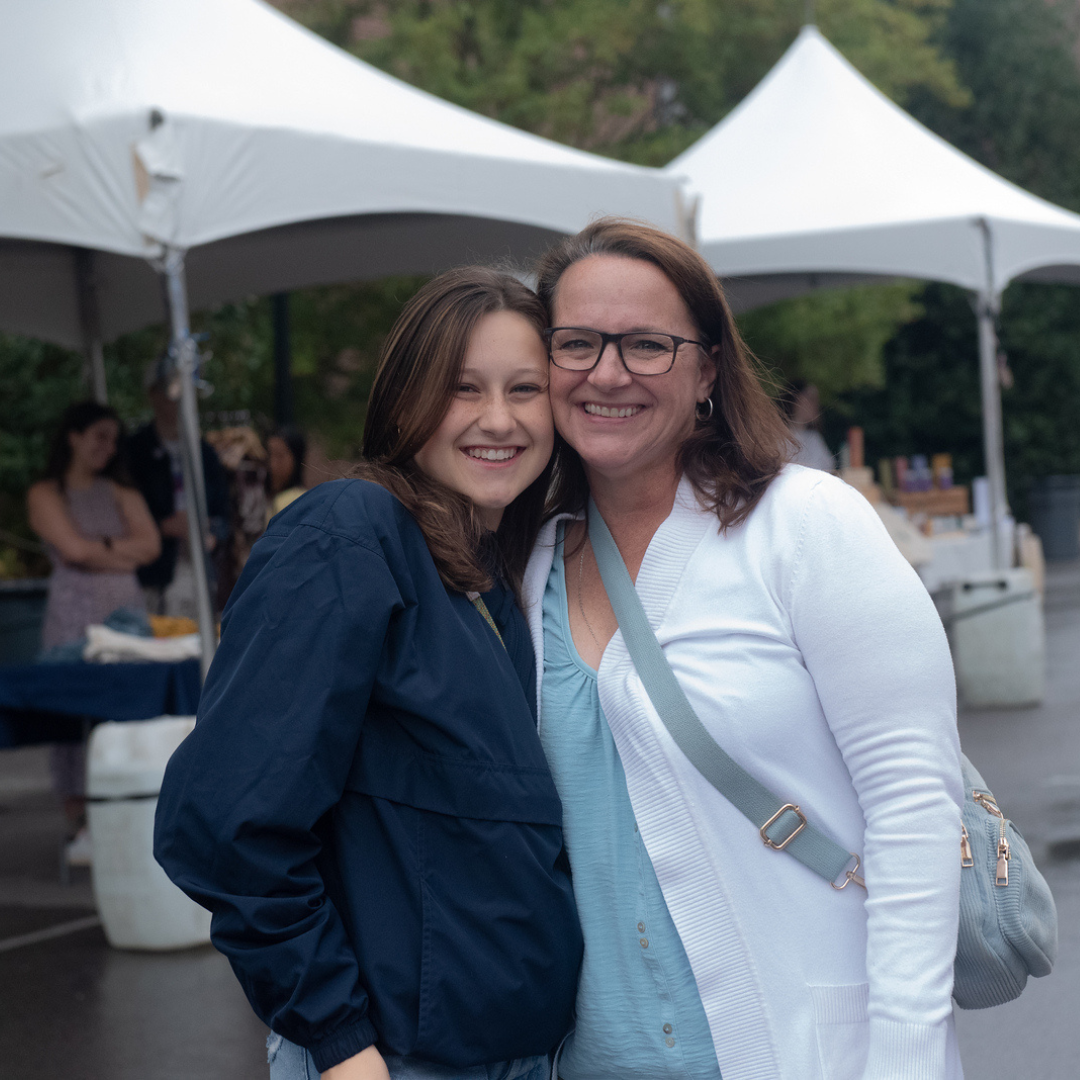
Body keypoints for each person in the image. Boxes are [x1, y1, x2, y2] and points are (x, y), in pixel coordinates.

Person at [520, 220, 964, 1080]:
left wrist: (907, 1056)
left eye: (647, 345)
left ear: (708, 369)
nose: (606, 372)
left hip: (808, 1051)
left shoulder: (802, 526)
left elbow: (914, 805)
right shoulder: (527, 560)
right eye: (576, 343)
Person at [154, 268, 583, 1080]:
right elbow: (223, 823)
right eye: (463, 389)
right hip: (392, 1057)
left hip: (516, 1050)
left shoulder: (492, 570)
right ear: (404, 400)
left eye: (525, 389)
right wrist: (341, 1041)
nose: (499, 419)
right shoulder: (349, 533)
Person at [27, 400, 161, 858]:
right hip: (72, 615)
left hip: (125, 612)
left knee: (128, 710)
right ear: (74, 437)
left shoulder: (121, 490)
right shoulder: (47, 492)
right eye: (99, 436)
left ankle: (130, 812)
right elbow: (72, 550)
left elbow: (150, 546)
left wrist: (98, 547)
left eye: (112, 438)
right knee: (72, 718)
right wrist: (115, 550)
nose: (107, 447)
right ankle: (80, 818)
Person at [127, 360, 230, 618]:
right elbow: (121, 512)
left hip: (199, 568)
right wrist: (162, 527)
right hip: (152, 571)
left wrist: (213, 532)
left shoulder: (204, 454)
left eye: (186, 390)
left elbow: (225, 511)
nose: (179, 398)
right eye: (171, 389)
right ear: (153, 393)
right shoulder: (134, 451)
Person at [783, 378, 837, 471]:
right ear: (795, 400)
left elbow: (829, 467)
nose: (815, 404)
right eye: (810, 399)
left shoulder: (814, 438)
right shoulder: (780, 439)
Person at [265, 425, 308, 521]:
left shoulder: (292, 501)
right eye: (269, 455)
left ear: (296, 459)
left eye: (279, 456)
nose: (272, 464)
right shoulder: (269, 498)